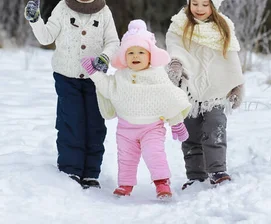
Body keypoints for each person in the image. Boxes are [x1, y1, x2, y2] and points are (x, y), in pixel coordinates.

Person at [24, 0, 119, 189]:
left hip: (95, 79)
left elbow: (113, 42)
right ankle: (71, 170)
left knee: (94, 126)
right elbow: (46, 37)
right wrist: (36, 20)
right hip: (66, 77)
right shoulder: (62, 8)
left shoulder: (105, 12)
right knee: (71, 123)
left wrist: (106, 58)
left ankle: (91, 173)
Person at [81, 19, 191, 199]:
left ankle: (162, 183)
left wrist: (177, 122)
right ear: (124, 56)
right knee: (126, 157)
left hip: (152, 127)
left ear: (150, 55)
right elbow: (107, 87)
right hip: (126, 128)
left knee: (154, 154)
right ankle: (125, 185)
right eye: (130, 52)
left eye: (141, 52)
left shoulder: (157, 76)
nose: (135, 56)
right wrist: (94, 73)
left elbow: (169, 98)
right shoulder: (120, 76)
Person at [165, 0, 245, 190]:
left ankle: (218, 170)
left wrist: (236, 84)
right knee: (190, 134)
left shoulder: (224, 27)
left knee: (214, 128)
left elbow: (231, 57)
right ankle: (195, 175)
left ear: (214, 5)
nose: (199, 8)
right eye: (195, 3)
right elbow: (174, 46)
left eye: (205, 4)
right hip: (189, 89)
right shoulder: (180, 25)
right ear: (188, 2)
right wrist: (176, 64)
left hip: (216, 92)